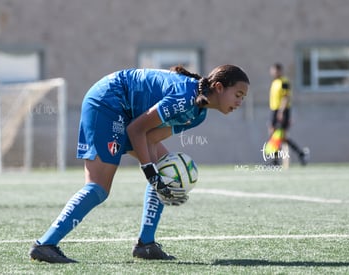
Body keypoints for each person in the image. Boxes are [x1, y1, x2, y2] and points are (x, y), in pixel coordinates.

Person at [28, 64, 250, 263]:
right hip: (107, 102)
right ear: (219, 87)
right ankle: (45, 244)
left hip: (126, 112)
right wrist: (151, 173)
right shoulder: (185, 97)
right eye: (238, 95)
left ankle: (146, 245)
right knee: (98, 188)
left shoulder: (199, 114)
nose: (239, 102)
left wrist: (157, 176)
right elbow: (136, 130)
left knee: (162, 167)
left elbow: (151, 137)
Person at [268, 63, 308, 165]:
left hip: (282, 111)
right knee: (277, 135)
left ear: (280, 71)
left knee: (279, 135)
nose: (274, 72)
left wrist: (281, 112)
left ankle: (275, 162)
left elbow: (286, 97)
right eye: (273, 70)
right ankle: (301, 154)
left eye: (276, 70)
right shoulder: (274, 82)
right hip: (274, 110)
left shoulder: (284, 82)